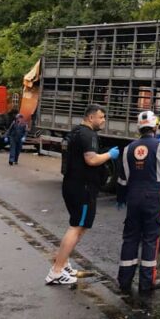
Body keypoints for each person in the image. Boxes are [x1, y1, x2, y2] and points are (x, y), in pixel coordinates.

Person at [47, 104, 119, 285]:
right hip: (83, 189)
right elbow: (92, 159)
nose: (103, 121)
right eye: (101, 117)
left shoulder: (76, 132)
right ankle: (56, 272)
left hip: (74, 185)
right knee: (77, 227)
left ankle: (63, 264)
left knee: (78, 226)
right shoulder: (88, 135)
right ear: (91, 117)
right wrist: (110, 155)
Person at [116, 110, 160, 294]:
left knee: (130, 238)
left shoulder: (128, 149)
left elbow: (122, 180)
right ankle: (146, 281)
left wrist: (121, 198)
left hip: (133, 197)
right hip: (153, 197)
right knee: (151, 239)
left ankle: (124, 280)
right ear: (155, 126)